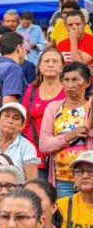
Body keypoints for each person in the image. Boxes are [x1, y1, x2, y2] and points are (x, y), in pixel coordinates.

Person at [39, 62, 93, 196]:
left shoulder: (91, 107)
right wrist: (70, 136)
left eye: (75, 80)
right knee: (64, 215)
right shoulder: (53, 108)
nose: (70, 84)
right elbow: (44, 145)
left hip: (89, 179)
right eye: (66, 80)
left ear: (87, 82)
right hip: (62, 180)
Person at [21, 49, 66, 180]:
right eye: (46, 61)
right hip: (35, 156)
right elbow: (24, 122)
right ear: (39, 67)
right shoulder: (32, 89)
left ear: (62, 66)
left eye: (55, 61)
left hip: (62, 154)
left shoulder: (68, 89)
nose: (50, 64)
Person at [0, 31, 27, 104]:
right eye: (24, 47)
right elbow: (9, 102)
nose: (26, 51)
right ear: (19, 48)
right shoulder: (13, 69)